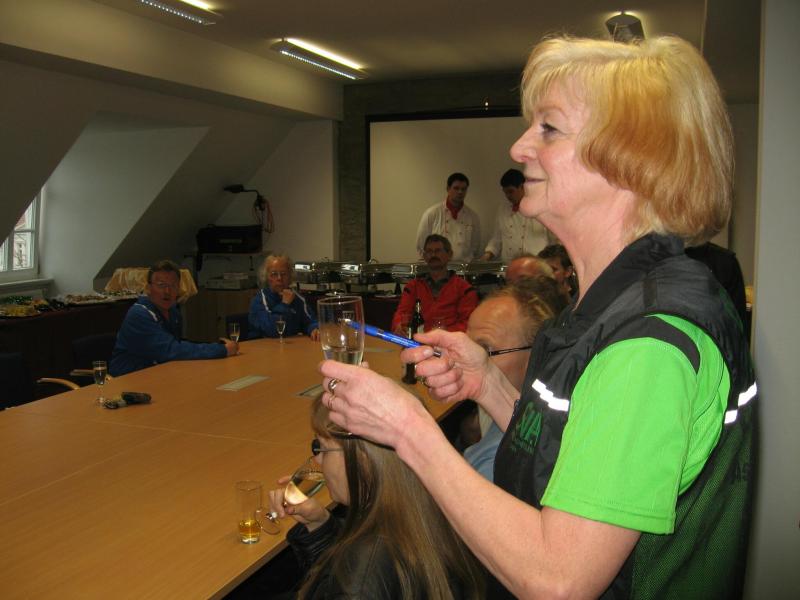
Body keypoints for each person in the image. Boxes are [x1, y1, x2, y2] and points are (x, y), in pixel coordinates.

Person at [319, 35, 757, 599]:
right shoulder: (617, 303)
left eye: (548, 128)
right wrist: (489, 385)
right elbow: (580, 451)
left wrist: (409, 430)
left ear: (630, 158)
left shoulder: (648, 344)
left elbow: (558, 580)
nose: (520, 146)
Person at [268, 394, 484, 599]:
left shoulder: (362, 576)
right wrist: (319, 527)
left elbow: (355, 581)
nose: (317, 460)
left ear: (363, 461)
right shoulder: (424, 511)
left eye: (322, 449)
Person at [463, 277, 565, 480]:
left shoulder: (502, 461)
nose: (466, 358)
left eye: (485, 349)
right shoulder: (516, 414)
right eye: (467, 344)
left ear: (534, 359)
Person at [110, 260, 237, 376]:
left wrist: (215, 348)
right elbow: (171, 350)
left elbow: (177, 347)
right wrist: (221, 350)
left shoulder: (173, 312)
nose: (167, 291)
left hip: (158, 373)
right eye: (161, 285)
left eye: (173, 286)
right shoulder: (139, 314)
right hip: (128, 379)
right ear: (148, 288)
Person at [391, 234, 479, 334]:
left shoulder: (465, 290)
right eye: (429, 251)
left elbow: (468, 323)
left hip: (450, 341)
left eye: (438, 251)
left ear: (449, 254)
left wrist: (438, 335)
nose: (433, 255)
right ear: (424, 256)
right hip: (417, 340)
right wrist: (398, 325)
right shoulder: (413, 287)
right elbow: (402, 313)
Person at [480, 169, 551, 261]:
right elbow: (497, 238)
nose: (508, 196)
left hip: (536, 263)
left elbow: (554, 239)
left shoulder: (541, 207)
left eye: (511, 191)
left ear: (522, 187)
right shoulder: (503, 209)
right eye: (505, 192)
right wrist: (487, 255)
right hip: (509, 264)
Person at [249, 254, 320, 341]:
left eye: (283, 274)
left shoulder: (297, 298)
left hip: (289, 345)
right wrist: (284, 304)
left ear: (290, 277)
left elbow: (310, 321)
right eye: (274, 274)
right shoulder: (259, 300)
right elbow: (273, 331)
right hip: (262, 345)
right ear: (267, 277)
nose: (279, 278)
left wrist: (314, 329)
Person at [416, 173, 482, 262]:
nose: (460, 192)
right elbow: (421, 246)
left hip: (463, 267)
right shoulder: (432, 214)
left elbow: (475, 247)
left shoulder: (473, 217)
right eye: (456, 188)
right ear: (448, 189)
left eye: (463, 189)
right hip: (437, 267)